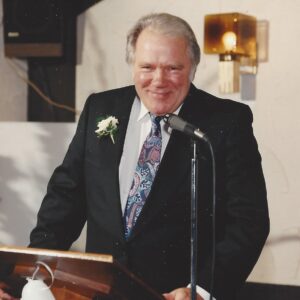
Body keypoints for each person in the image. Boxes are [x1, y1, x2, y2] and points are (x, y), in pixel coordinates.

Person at [1, 13, 269, 300]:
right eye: (147, 67)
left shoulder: (225, 122)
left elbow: (249, 221)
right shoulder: (101, 108)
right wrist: (32, 274)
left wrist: (201, 290)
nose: (159, 80)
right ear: (132, 65)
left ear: (192, 67)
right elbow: (66, 197)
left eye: (173, 68)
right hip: (99, 293)